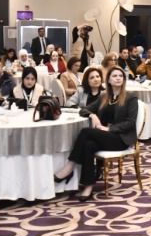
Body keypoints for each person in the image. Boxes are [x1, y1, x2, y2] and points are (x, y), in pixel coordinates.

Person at [55, 64, 140, 198]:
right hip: (106, 136)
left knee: (86, 132)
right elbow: (83, 110)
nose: (118, 78)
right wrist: (92, 115)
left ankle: (70, 166)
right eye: (114, 76)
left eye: (120, 76)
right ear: (109, 80)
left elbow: (131, 122)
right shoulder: (104, 96)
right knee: (88, 145)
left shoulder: (131, 97)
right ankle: (88, 187)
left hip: (120, 139)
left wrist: (109, 128)